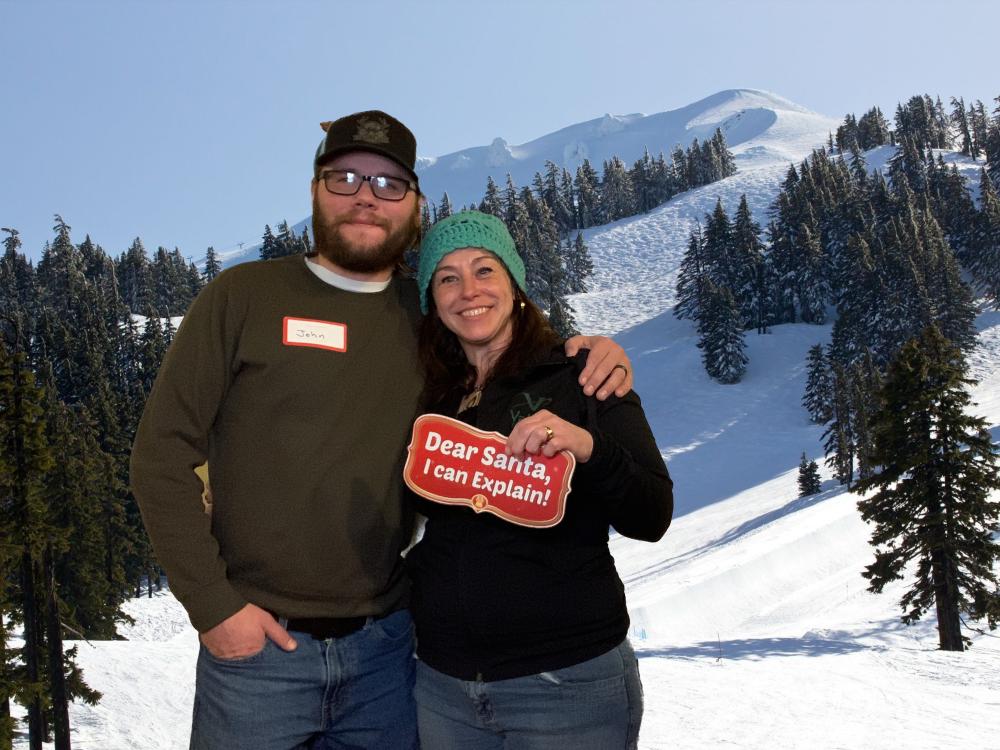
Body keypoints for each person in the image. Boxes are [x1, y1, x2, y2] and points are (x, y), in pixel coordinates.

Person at [129, 111, 634, 750]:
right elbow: (162, 456)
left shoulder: (426, 316)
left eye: (389, 184)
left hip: (387, 655)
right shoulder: (243, 297)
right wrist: (213, 606)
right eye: (345, 178)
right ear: (315, 190)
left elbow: (502, 348)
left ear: (414, 206)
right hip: (259, 656)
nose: (366, 196)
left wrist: (586, 351)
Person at [406, 210, 673, 750]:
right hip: (443, 687)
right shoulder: (430, 396)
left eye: (485, 270)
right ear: (432, 299)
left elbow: (651, 514)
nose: (468, 291)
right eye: (448, 278)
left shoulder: (580, 374)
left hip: (565, 685)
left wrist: (588, 448)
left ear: (514, 282)